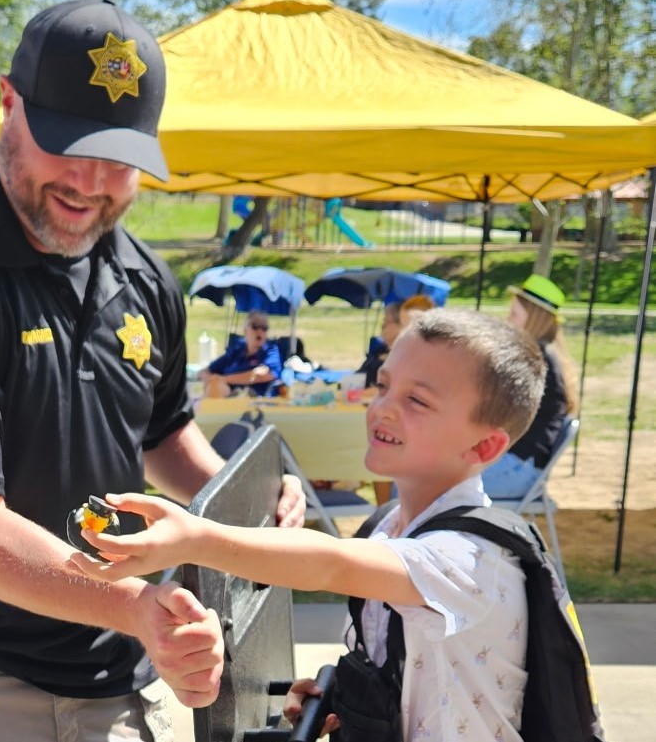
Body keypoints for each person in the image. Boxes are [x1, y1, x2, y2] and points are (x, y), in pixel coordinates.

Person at [0, 0, 305, 742]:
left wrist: (244, 504)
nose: (90, 182)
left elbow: (164, 436)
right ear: (6, 102)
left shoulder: (145, 278)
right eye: (68, 144)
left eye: (119, 159)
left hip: (118, 669)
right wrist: (133, 606)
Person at [72, 308, 548, 742]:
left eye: (417, 401)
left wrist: (195, 539)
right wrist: (344, 695)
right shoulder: (389, 529)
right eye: (383, 386)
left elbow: (329, 565)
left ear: (484, 448)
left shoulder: (471, 558)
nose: (382, 408)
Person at [483, 274, 579, 499]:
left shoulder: (537, 362)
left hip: (518, 469)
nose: (508, 320)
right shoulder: (538, 356)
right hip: (513, 463)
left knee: (434, 482)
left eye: (514, 314)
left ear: (534, 319)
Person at [198, 310, 283, 397]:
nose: (260, 331)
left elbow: (263, 375)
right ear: (245, 331)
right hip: (227, 398)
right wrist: (210, 379)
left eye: (264, 328)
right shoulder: (237, 350)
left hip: (256, 401)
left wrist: (224, 379)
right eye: (255, 326)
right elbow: (204, 371)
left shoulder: (270, 350)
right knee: (214, 385)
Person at [356, 301, 403, 387]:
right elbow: (356, 378)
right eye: (383, 321)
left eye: (387, 322)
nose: (382, 326)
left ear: (403, 327)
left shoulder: (404, 361)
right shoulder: (379, 350)